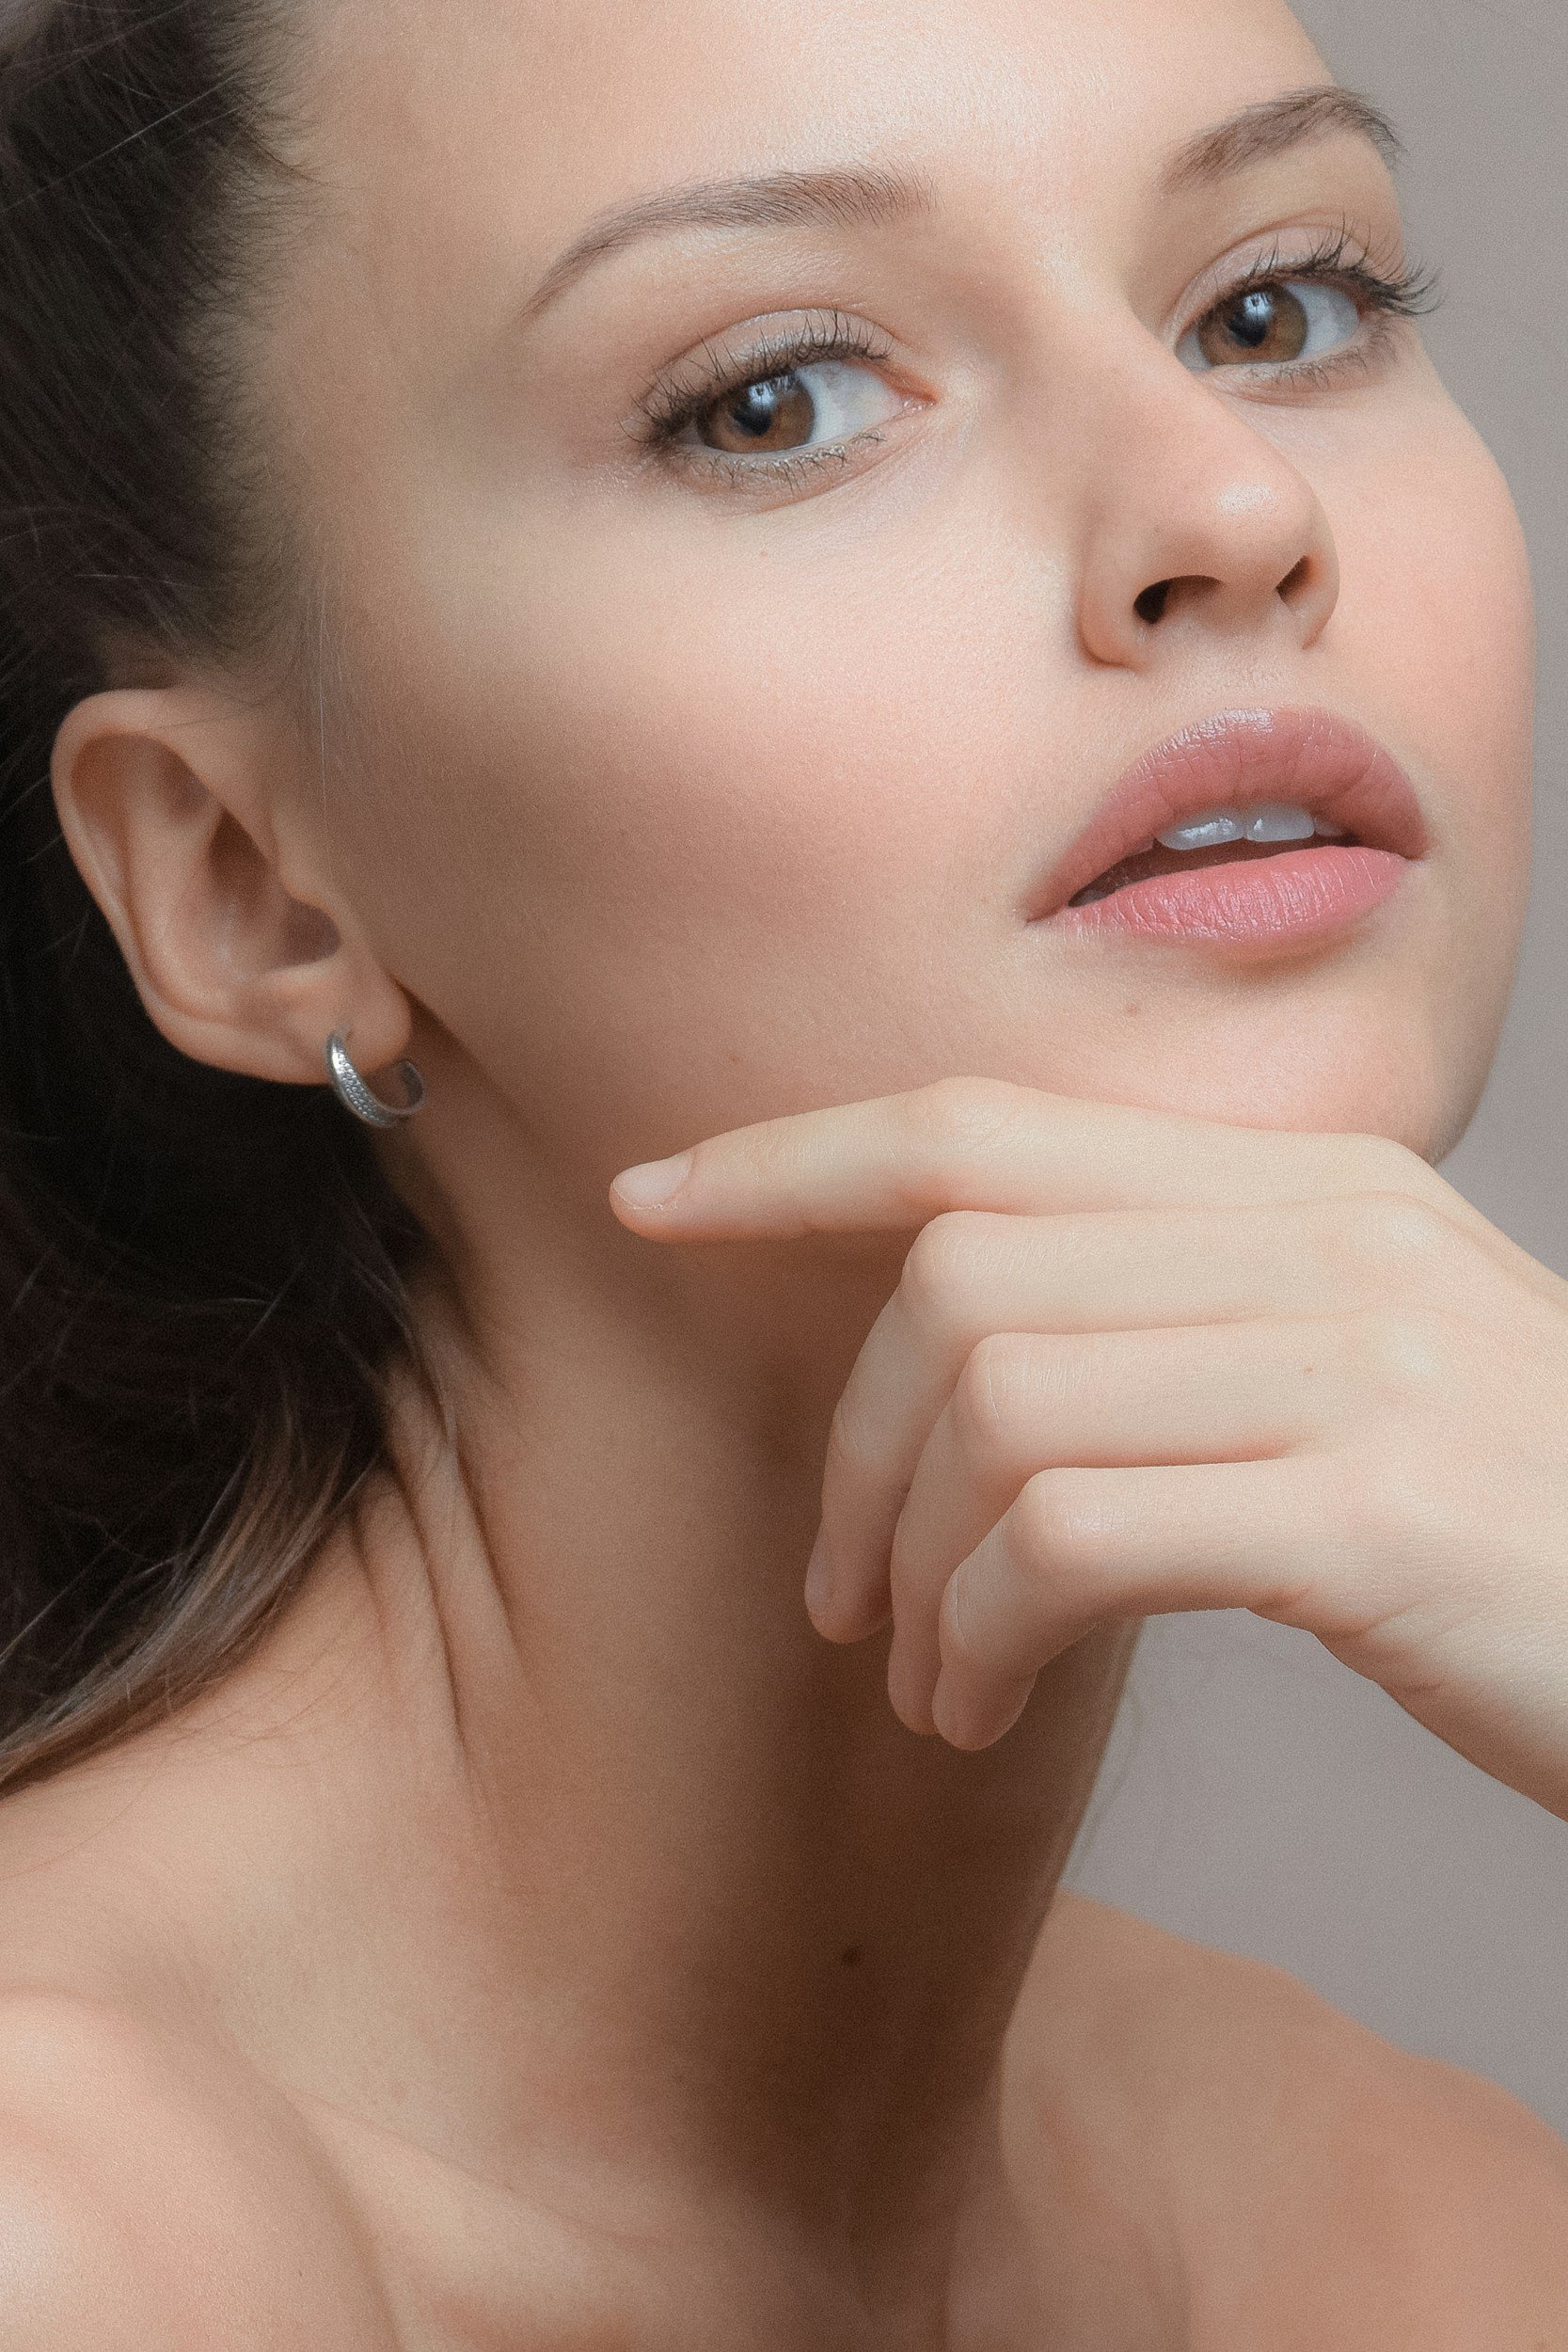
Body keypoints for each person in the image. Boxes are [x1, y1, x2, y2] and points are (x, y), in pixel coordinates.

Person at [0, 0, 1565, 2339]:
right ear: (247, 879)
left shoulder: (1418, 2237)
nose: (1232, 506)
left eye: (1276, 306)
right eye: (776, 398)